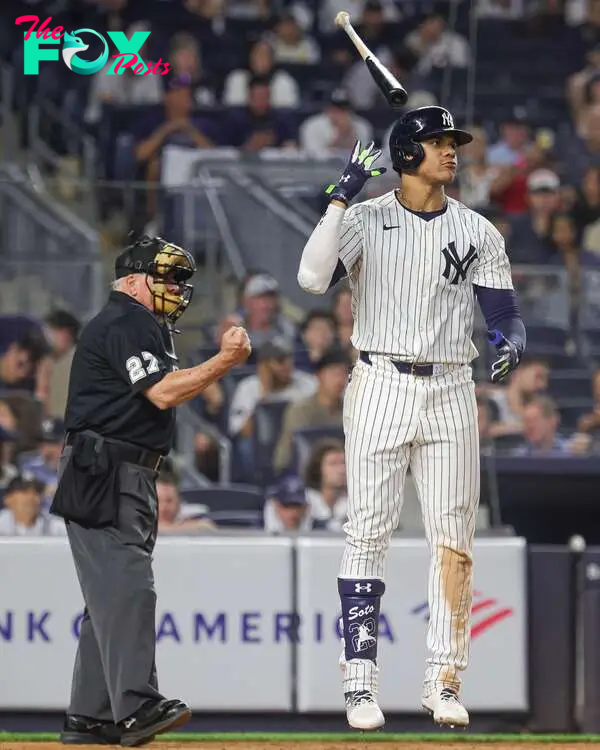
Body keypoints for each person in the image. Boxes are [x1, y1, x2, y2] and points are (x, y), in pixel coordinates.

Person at [297, 106, 526, 731]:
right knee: (367, 531)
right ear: (406, 155)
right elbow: (313, 277)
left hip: (452, 384)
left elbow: (503, 309)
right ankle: (360, 686)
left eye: (453, 141)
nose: (451, 151)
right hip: (379, 380)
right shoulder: (366, 218)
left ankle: (443, 681)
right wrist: (340, 196)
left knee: (454, 537)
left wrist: (511, 335)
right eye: (437, 142)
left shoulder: (478, 229)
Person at [51, 234, 251, 746]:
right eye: (167, 278)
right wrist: (224, 361)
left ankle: (91, 716)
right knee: (128, 589)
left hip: (122, 469)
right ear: (137, 280)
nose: (177, 289)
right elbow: (162, 392)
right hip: (106, 469)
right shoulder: (125, 320)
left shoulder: (139, 322)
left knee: (109, 599)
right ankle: (136, 707)